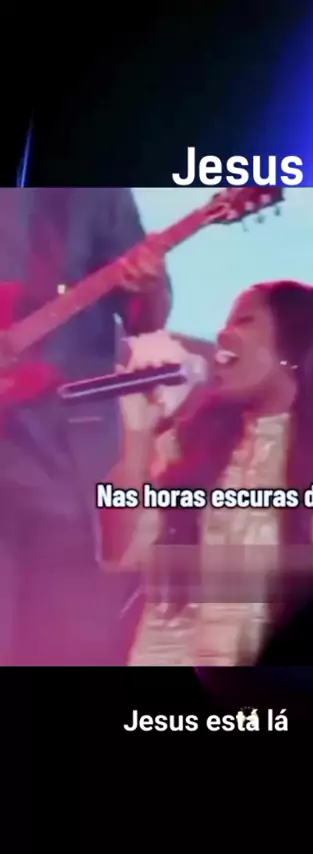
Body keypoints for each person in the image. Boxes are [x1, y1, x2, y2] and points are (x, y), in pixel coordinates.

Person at [101, 280, 313, 667]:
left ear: (294, 349)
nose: (222, 334)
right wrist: (138, 432)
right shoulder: (184, 447)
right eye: (226, 321)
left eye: (244, 321)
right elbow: (122, 551)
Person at [0, 187, 170, 666]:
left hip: (68, 451)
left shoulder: (101, 193)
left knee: (62, 631)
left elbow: (146, 320)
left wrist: (149, 284)